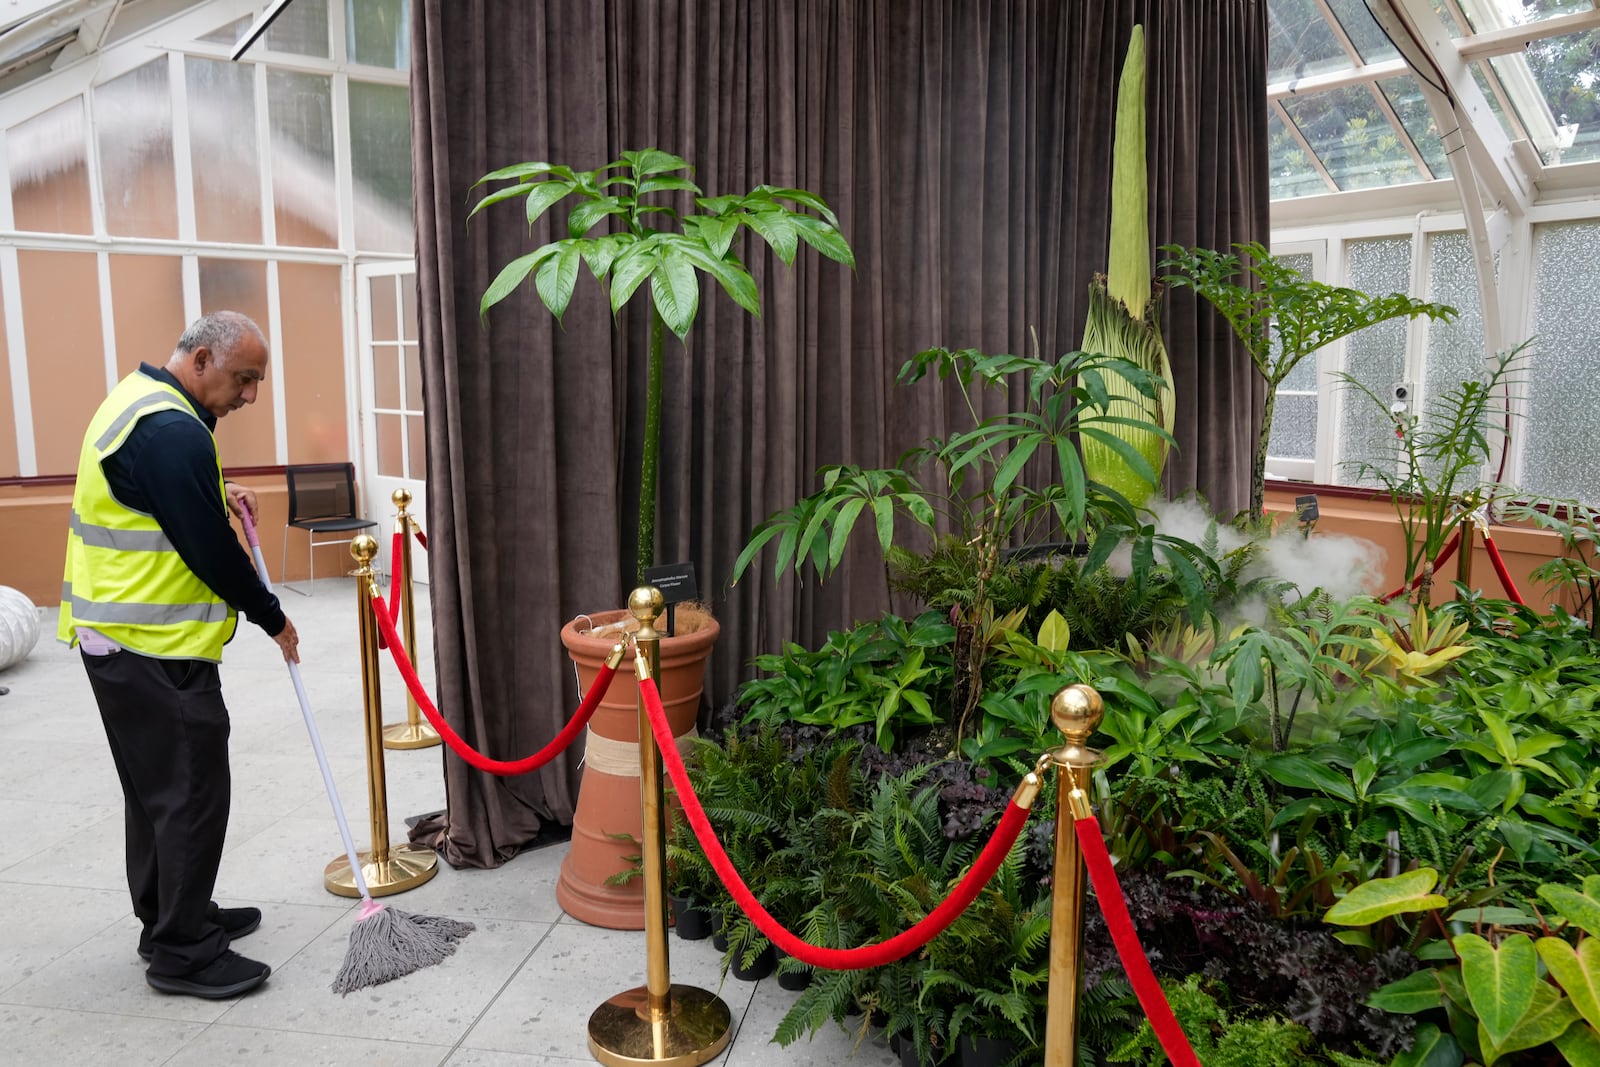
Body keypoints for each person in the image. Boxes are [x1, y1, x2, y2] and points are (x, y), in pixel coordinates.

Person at [58, 310, 301, 1000]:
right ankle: (184, 952)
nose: (250, 395)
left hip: (120, 640)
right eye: (243, 378)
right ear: (199, 360)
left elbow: (151, 492)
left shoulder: (142, 400)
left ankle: (169, 916)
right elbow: (207, 549)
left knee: (155, 791)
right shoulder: (171, 431)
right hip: (153, 648)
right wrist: (273, 616)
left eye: (257, 381)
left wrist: (210, 490)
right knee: (192, 790)